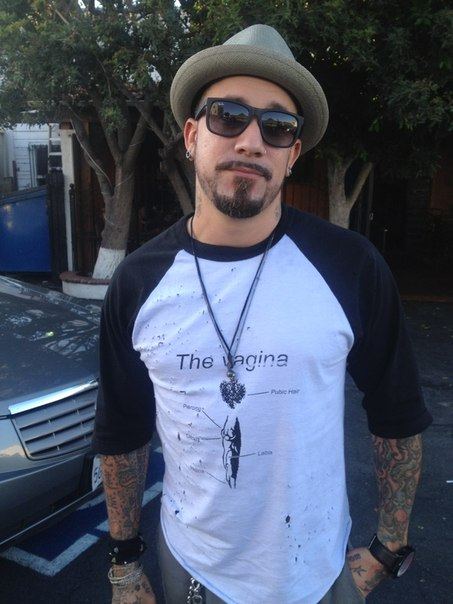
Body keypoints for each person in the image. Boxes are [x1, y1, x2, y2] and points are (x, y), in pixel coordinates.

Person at [93, 24, 432, 604]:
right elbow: (122, 432)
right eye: (228, 116)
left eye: (277, 126)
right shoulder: (138, 283)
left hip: (320, 574)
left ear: (292, 154)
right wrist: (124, 566)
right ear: (192, 136)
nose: (251, 141)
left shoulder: (349, 266)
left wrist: (388, 550)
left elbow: (397, 415)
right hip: (192, 570)